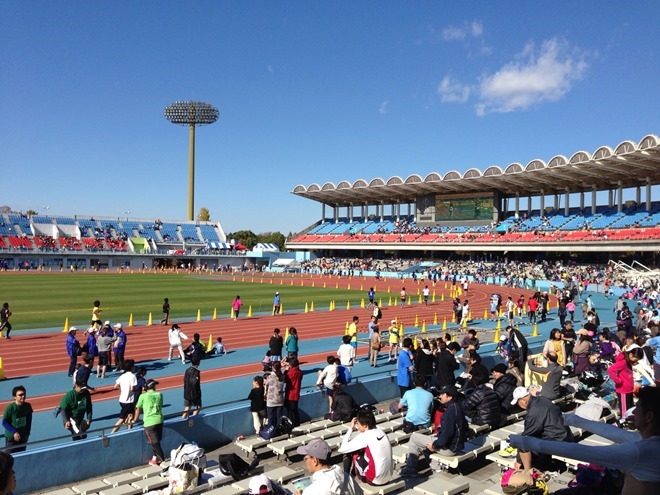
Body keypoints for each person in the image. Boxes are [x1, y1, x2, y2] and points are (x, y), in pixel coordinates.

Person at [509, 386, 660, 495]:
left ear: (649, 417)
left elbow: (582, 452)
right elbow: (614, 433)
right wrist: (572, 420)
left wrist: (526, 442)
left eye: (638, 407)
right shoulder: (650, 441)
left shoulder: (641, 452)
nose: (633, 412)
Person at [399, 385, 467, 477]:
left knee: (414, 437)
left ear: (449, 397)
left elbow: (447, 434)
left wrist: (434, 445)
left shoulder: (450, 412)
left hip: (449, 449)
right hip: (457, 446)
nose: (440, 396)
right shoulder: (457, 407)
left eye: (443, 394)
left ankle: (411, 469)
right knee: (426, 446)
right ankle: (437, 468)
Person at [509, 386, 573, 471]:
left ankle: (528, 472)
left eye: (518, 403)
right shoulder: (542, 400)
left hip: (558, 441)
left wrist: (518, 460)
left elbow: (527, 436)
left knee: (523, 443)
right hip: (565, 435)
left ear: (524, 401)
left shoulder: (534, 411)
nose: (518, 405)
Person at [338, 408, 393, 486]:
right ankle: (352, 475)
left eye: (358, 424)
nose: (357, 426)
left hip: (374, 479)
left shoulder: (365, 436)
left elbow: (342, 449)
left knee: (350, 452)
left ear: (365, 425)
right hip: (388, 476)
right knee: (364, 450)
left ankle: (346, 480)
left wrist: (350, 428)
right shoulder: (381, 432)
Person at [295, 438, 363, 495]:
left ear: (314, 461)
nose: (305, 462)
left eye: (305, 458)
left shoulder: (311, 491)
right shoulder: (347, 477)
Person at [134, 379, 164, 466]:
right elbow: (161, 405)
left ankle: (163, 462)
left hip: (149, 422)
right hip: (159, 420)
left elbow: (138, 408)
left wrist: (135, 419)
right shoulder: (159, 394)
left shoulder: (143, 396)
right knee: (157, 442)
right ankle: (155, 459)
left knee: (154, 444)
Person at [608, 346, 644, 417]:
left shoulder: (629, 361)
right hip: (623, 390)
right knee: (625, 410)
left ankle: (629, 420)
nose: (635, 361)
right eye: (635, 359)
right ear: (631, 355)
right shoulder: (623, 362)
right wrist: (618, 380)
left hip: (629, 389)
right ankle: (624, 422)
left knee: (630, 407)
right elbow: (610, 370)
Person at [2, 386, 32, 453]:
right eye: (20, 395)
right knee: (8, 457)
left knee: (21, 455)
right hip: (11, 437)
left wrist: (27, 433)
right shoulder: (10, 408)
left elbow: (29, 420)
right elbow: (4, 422)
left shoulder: (28, 406)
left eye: (24, 394)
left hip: (23, 436)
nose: (23, 396)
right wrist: (14, 432)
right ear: (14, 397)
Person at [111, 359, 137, 433]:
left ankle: (129, 430)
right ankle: (112, 432)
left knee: (131, 415)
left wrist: (122, 389)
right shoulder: (132, 376)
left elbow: (115, 386)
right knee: (122, 418)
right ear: (132, 367)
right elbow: (132, 388)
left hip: (122, 399)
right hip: (128, 400)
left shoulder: (122, 376)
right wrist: (137, 391)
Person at [265, 362, 285, 428]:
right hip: (279, 400)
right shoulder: (283, 376)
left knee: (270, 417)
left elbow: (266, 386)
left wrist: (265, 394)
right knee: (279, 418)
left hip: (271, 400)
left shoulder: (270, 377)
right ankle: (279, 430)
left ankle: (270, 431)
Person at [284, 358, 303, 427]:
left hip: (290, 394)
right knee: (295, 410)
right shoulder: (299, 372)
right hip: (296, 393)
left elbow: (285, 379)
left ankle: (291, 424)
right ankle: (297, 423)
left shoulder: (291, 373)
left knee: (290, 410)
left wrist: (286, 371)